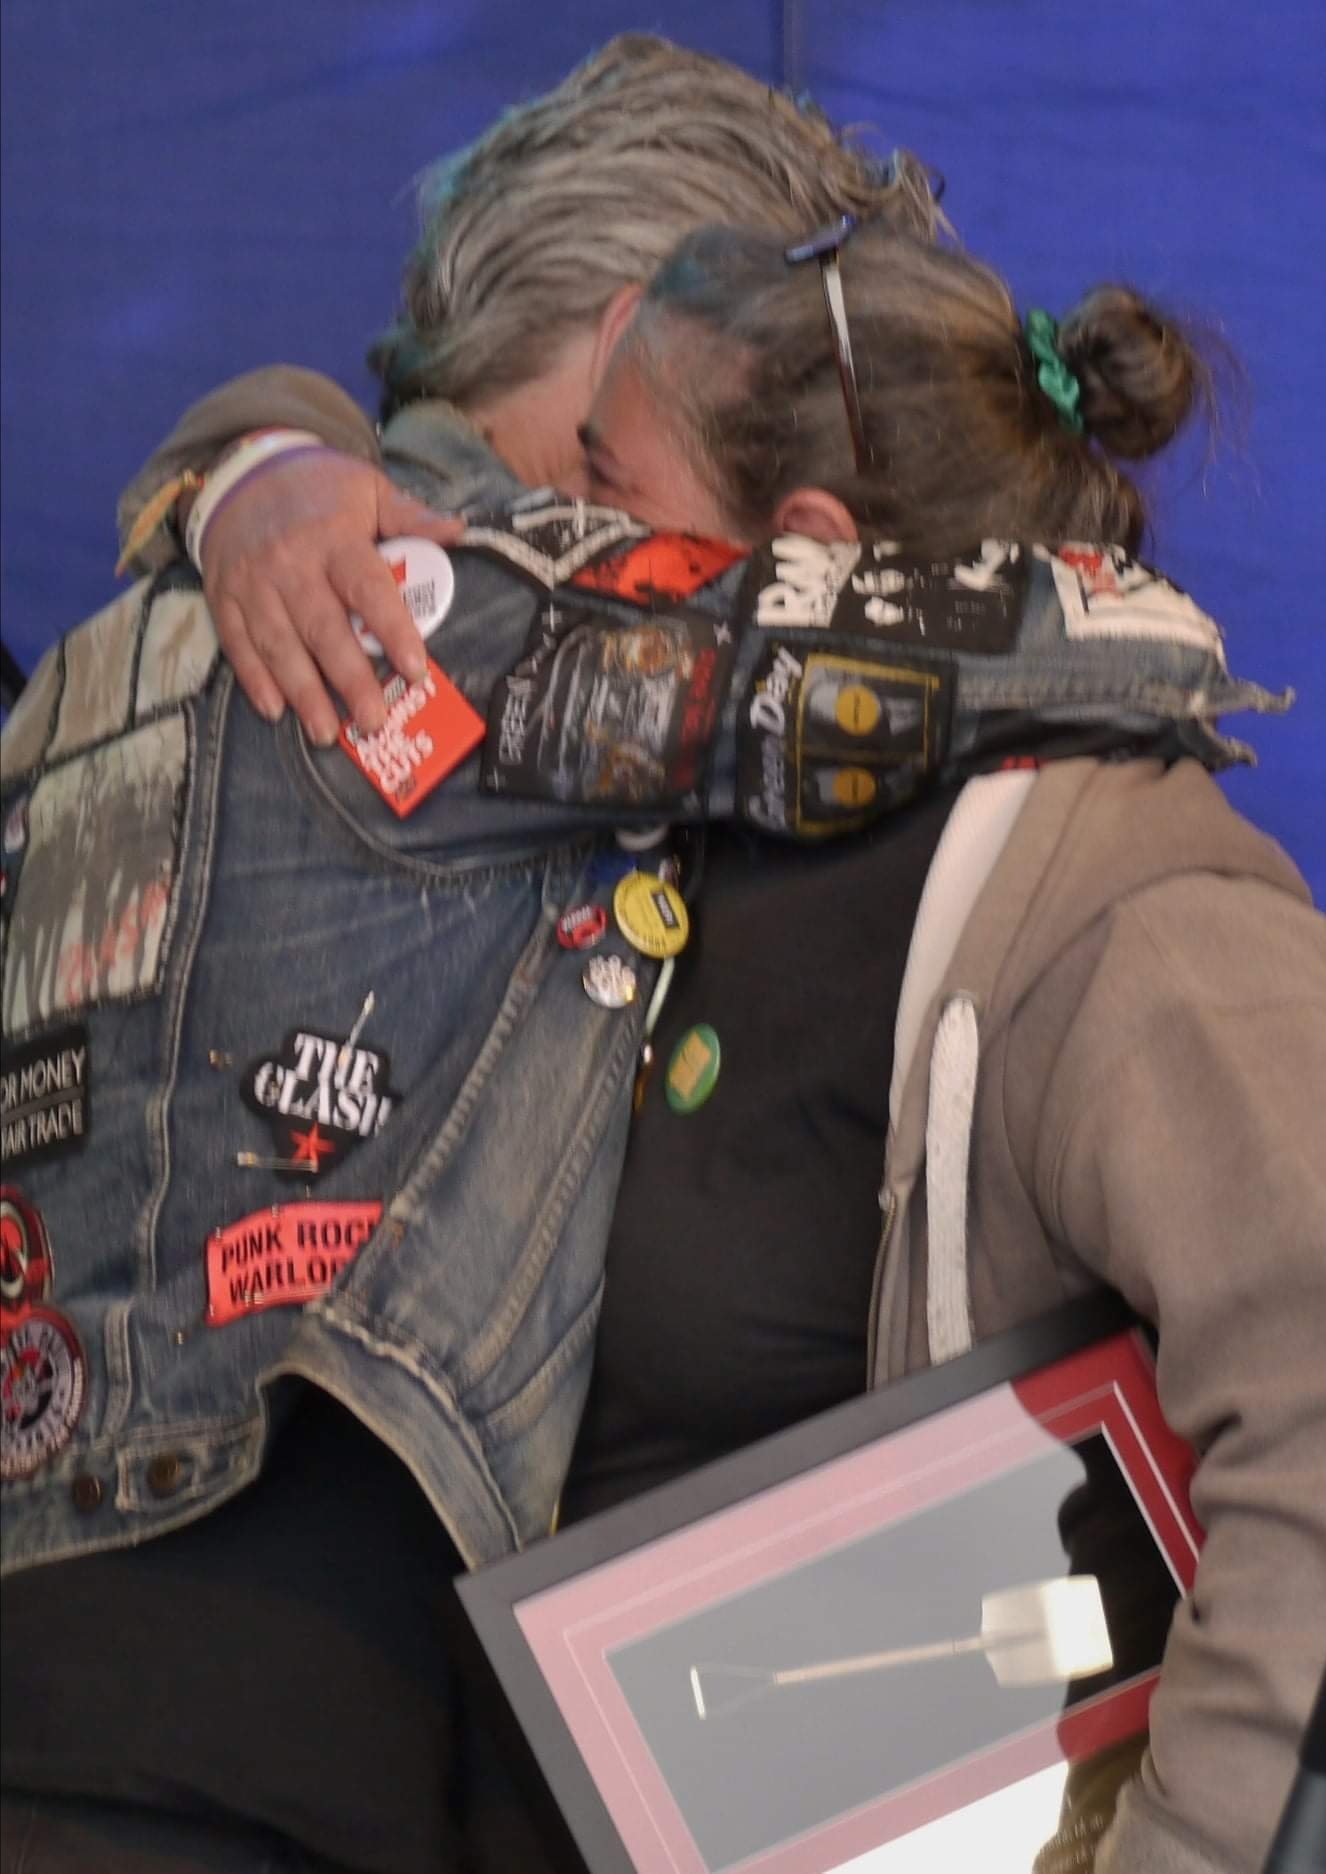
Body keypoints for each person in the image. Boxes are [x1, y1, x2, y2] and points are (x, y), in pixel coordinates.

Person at [4, 37, 1322, 1874]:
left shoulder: (1090, 882)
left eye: (597, 488)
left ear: (791, 558)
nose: (540, 538)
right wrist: (260, 460)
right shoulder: (515, 702)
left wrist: (250, 460)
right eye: (567, 475)